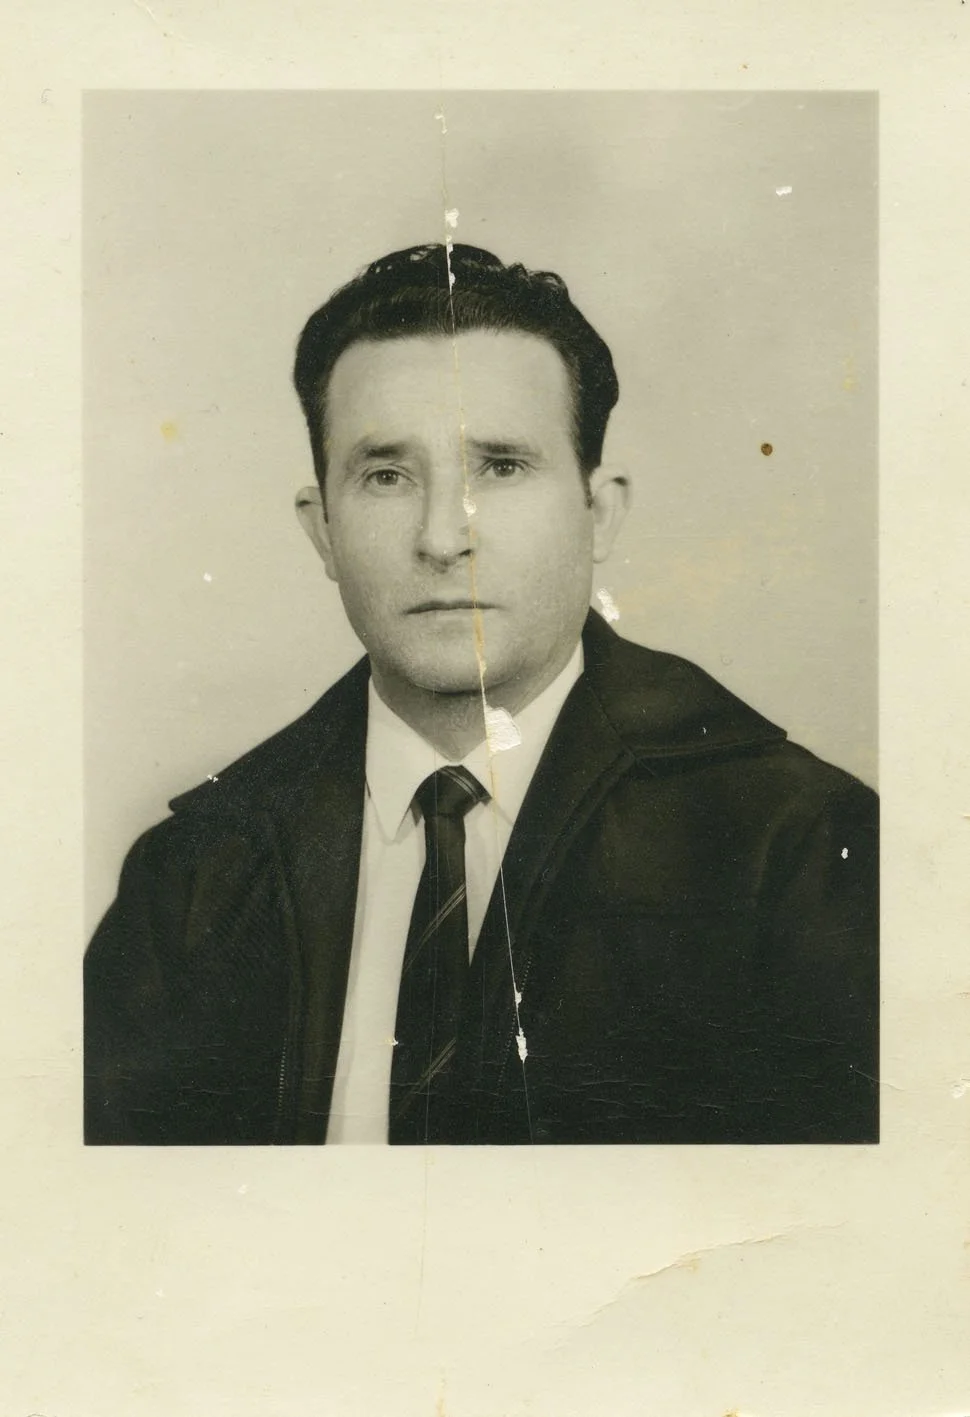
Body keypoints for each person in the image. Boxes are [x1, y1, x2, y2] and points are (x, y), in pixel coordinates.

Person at [84, 243, 879, 1146]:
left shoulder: (799, 851)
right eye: (386, 475)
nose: (439, 537)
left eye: (500, 466)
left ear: (600, 511)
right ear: (324, 533)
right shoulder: (189, 880)